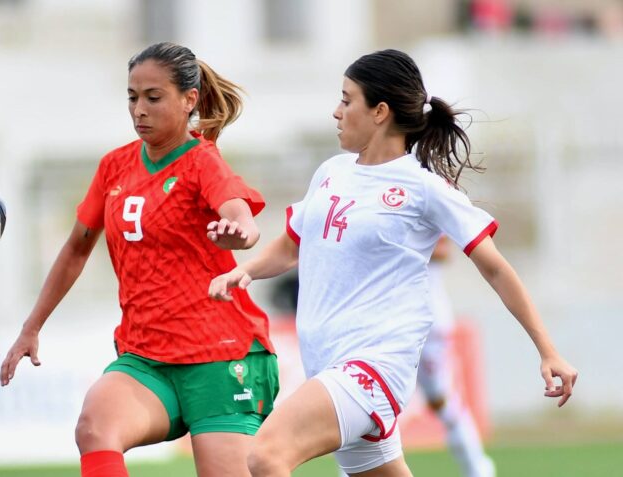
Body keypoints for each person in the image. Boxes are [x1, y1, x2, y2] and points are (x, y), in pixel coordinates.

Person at [208, 49, 577, 477]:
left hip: (373, 366)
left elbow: (495, 268)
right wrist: (245, 270)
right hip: (327, 364)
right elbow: (292, 247)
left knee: (266, 455)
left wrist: (548, 351)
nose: (336, 112)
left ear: (380, 111)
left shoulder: (423, 187)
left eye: (347, 100)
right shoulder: (331, 172)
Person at [0, 42, 279, 477]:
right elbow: (76, 248)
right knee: (95, 427)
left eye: (153, 97)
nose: (139, 110)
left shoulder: (202, 162)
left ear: (189, 100)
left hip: (222, 357)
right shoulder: (114, 167)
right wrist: (31, 327)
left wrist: (240, 232)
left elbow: (242, 218)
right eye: (132, 97)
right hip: (147, 357)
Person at [417, 236, 495, 477]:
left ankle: (478, 469)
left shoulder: (422, 213)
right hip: (387, 322)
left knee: (441, 400)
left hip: (428, 322)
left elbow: (443, 249)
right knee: (370, 402)